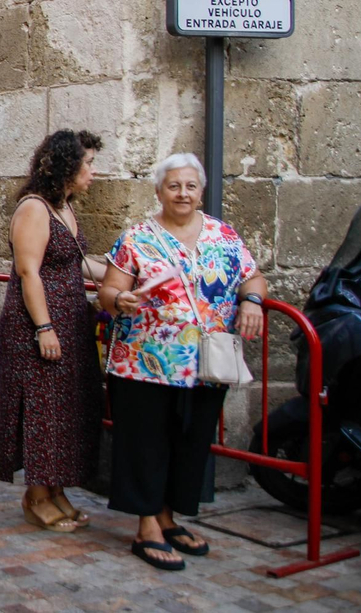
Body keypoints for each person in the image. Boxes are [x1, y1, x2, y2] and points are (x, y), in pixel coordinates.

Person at [99, 153, 269, 572]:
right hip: (145, 361)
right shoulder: (137, 237)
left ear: (201, 190)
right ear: (159, 191)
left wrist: (252, 301)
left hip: (205, 365)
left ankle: (168, 517)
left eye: (190, 186)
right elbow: (109, 291)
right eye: (174, 186)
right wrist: (122, 299)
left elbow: (253, 276)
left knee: (189, 442)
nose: (183, 193)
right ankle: (147, 527)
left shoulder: (223, 235)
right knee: (146, 442)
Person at [0, 130, 106, 533]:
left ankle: (57, 489)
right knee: (42, 408)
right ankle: (36, 496)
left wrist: (121, 272)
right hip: (36, 324)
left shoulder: (64, 209)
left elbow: (77, 262)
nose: (92, 172)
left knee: (66, 410)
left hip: (71, 320)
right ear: (66, 166)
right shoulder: (34, 209)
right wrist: (44, 327)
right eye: (88, 163)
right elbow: (29, 271)